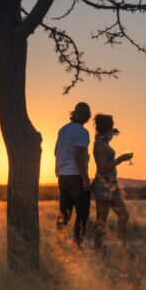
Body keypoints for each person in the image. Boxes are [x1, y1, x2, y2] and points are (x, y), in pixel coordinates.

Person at [91, 114, 134, 251]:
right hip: (103, 185)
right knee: (102, 220)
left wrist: (112, 132)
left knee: (124, 215)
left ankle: (122, 246)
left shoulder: (102, 140)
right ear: (107, 127)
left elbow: (105, 137)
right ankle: (97, 249)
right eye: (112, 126)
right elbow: (102, 168)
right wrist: (120, 159)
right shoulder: (100, 145)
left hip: (112, 185)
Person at [55, 102, 92, 247]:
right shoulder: (83, 132)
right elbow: (77, 155)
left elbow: (55, 152)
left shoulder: (63, 130)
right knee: (82, 214)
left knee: (64, 214)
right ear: (87, 116)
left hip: (62, 177)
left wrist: (83, 156)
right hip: (76, 176)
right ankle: (77, 245)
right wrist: (85, 178)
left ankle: (58, 244)